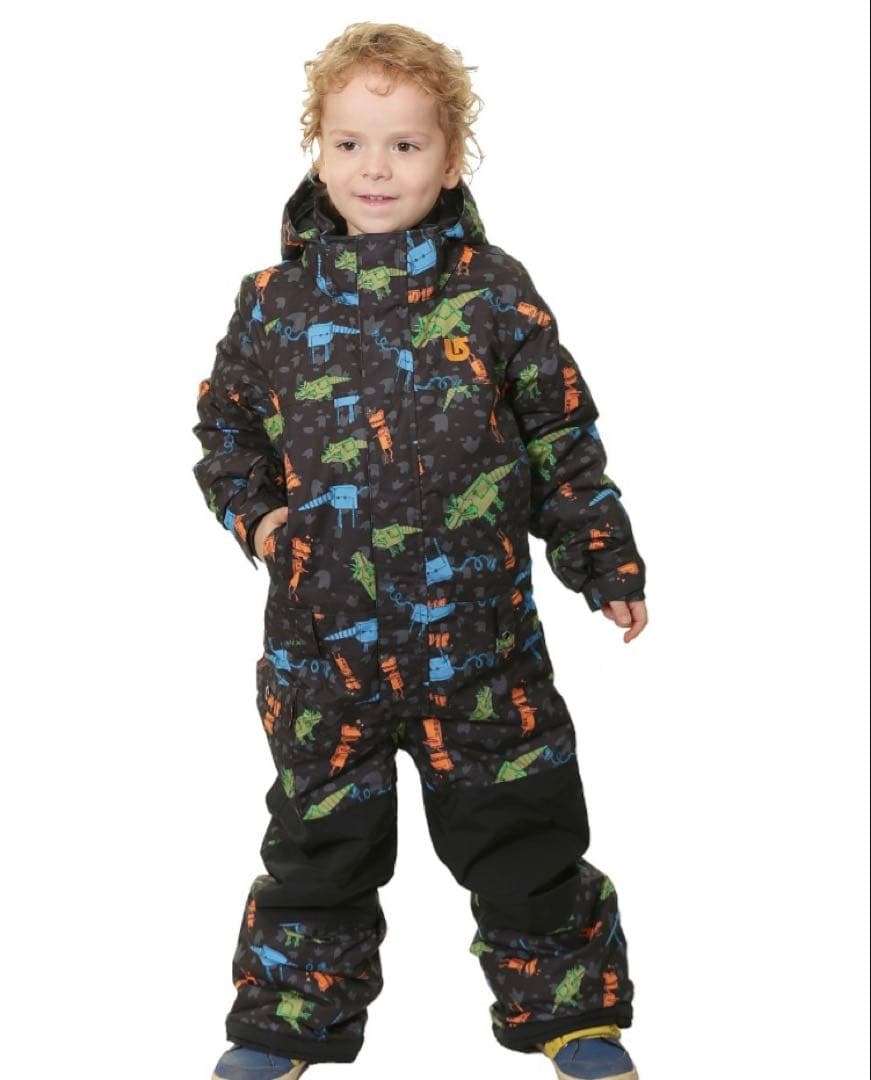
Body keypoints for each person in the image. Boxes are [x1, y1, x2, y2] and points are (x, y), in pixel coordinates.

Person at [193, 21, 648, 1080]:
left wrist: (603, 558)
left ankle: (572, 1017)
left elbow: (559, 436)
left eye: (405, 145)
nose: (376, 168)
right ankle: (285, 1024)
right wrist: (259, 520)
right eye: (350, 143)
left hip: (479, 650)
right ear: (317, 152)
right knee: (316, 849)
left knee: (526, 836)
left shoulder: (494, 292)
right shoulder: (273, 303)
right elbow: (226, 432)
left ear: (450, 161)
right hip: (322, 655)